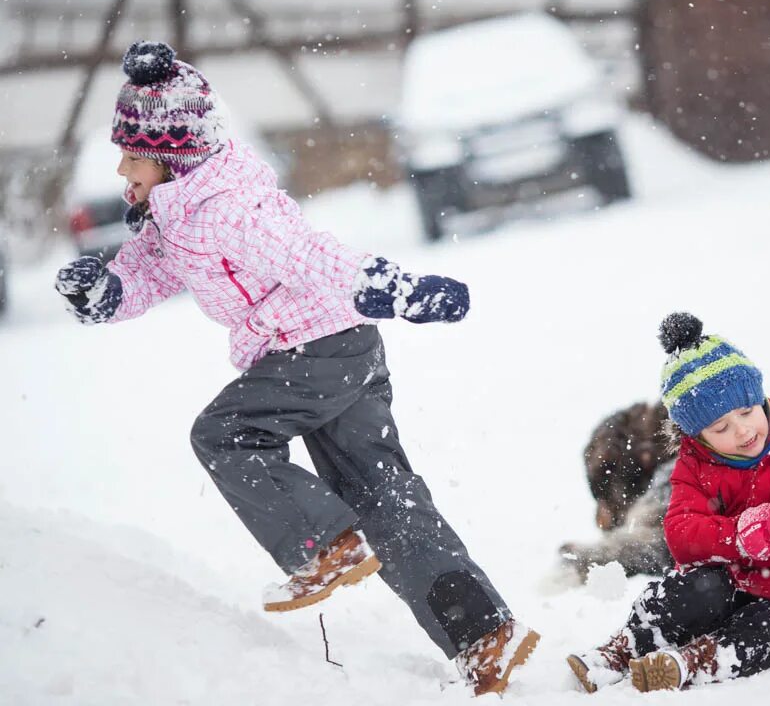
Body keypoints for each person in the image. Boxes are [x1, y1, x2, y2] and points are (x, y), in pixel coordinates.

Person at [54, 40, 537, 696]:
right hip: (338, 352)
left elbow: (316, 258)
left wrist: (397, 289)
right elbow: (145, 271)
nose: (120, 169)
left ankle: (323, 544)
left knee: (223, 434)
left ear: (170, 155)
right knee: (383, 497)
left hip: (317, 350)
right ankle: (483, 635)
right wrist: (102, 293)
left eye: (130, 153)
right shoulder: (174, 218)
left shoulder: (232, 208)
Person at [566, 312, 770, 693]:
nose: (743, 430)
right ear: (698, 436)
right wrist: (755, 529)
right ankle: (625, 647)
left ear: (759, 397)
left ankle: (700, 659)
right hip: (724, 582)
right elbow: (681, 534)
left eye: (746, 412)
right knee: (693, 589)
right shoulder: (693, 466)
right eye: (721, 428)